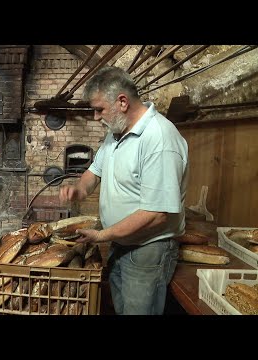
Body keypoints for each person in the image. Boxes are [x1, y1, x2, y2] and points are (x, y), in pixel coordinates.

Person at [59, 66, 189, 315]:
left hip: (147, 250)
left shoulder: (159, 139)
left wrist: (101, 235)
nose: (96, 117)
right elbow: (94, 172)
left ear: (122, 102)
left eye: (99, 109)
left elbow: (157, 213)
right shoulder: (116, 133)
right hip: (121, 242)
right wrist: (78, 190)